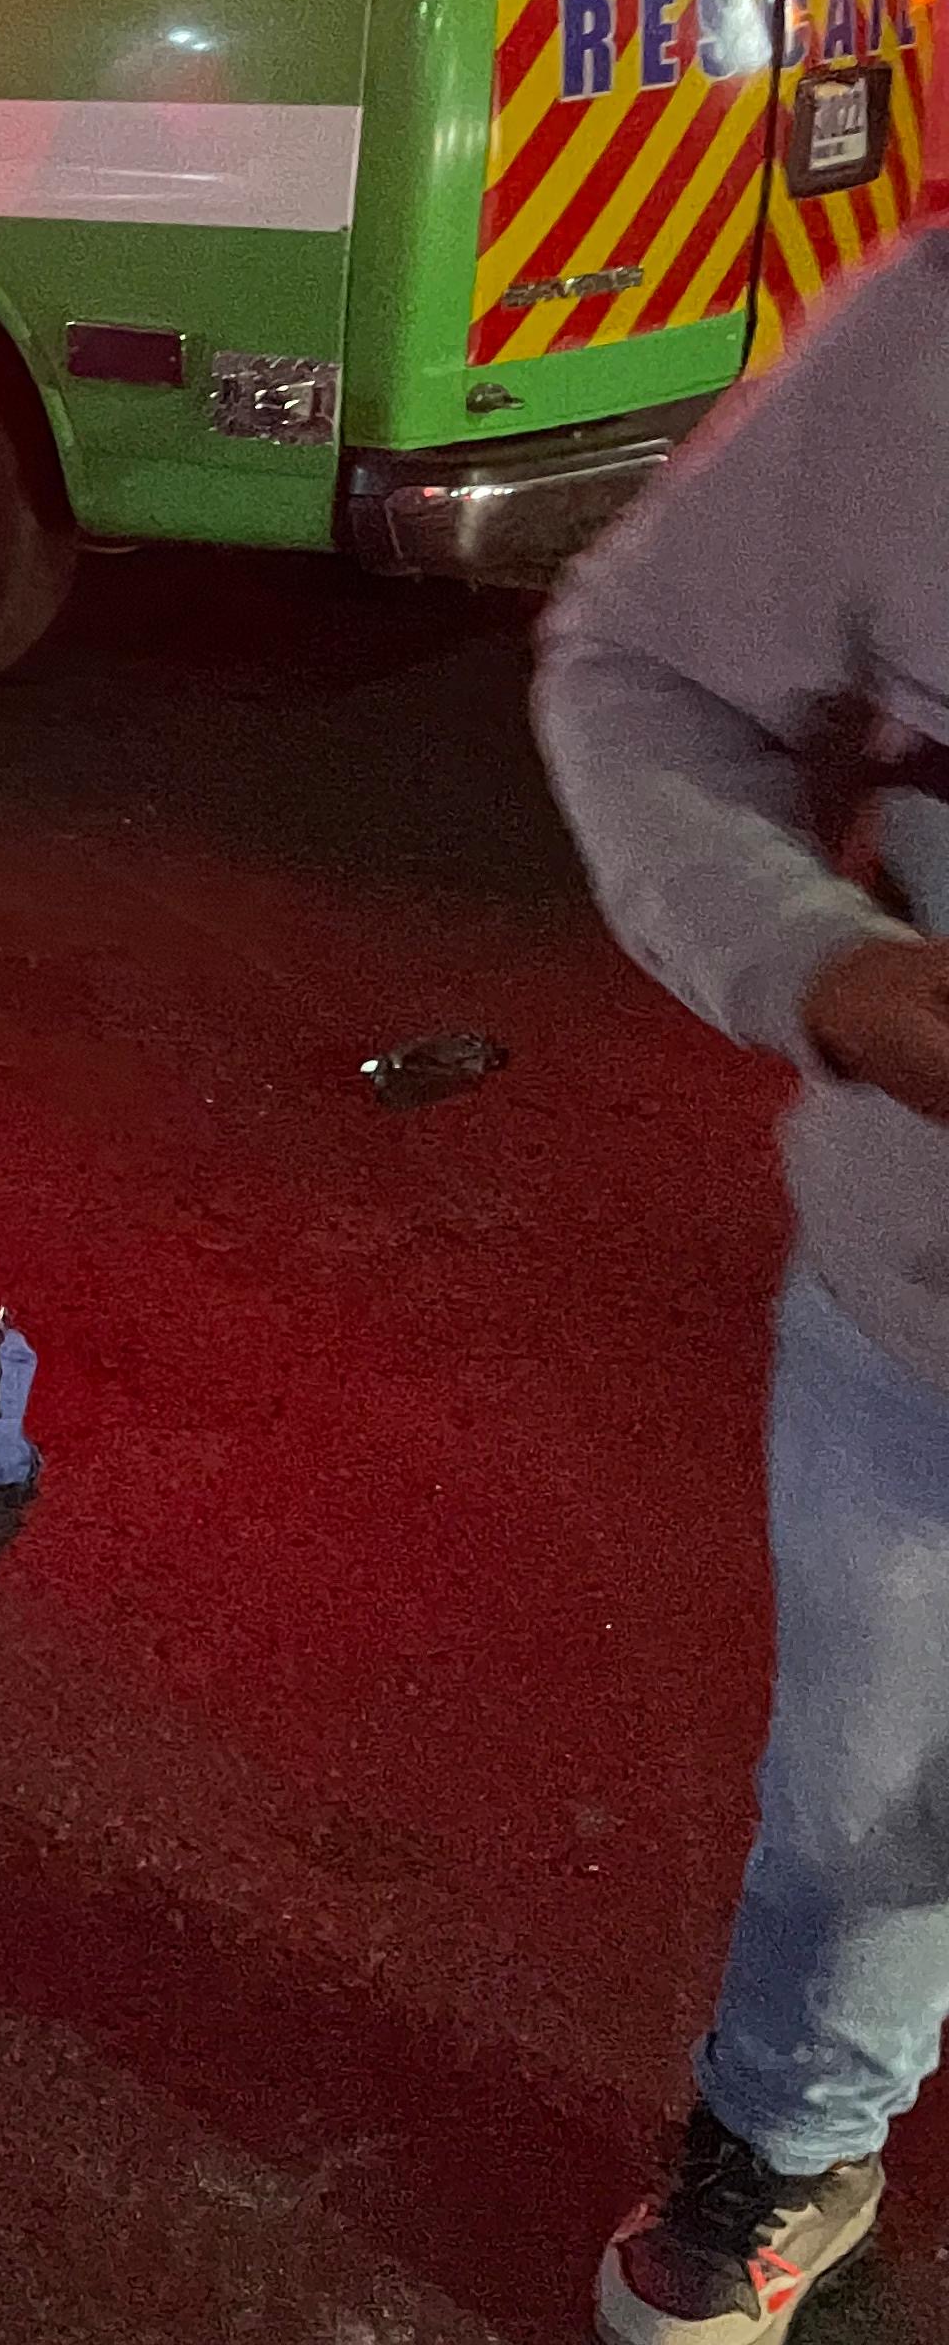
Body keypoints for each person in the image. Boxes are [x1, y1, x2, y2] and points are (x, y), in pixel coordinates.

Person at [538, 239, 949, 2345]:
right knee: (863, 1803)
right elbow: (641, 668)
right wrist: (829, 967)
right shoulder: (931, 344)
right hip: (925, 1314)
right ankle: (793, 2128)